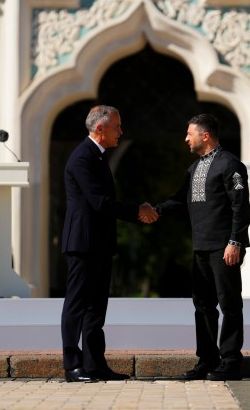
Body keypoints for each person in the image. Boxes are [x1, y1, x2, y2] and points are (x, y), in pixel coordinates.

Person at [60, 105, 158, 383]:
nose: (121, 132)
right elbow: (100, 202)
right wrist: (137, 211)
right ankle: (72, 365)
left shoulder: (98, 156)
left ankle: (94, 364)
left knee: (96, 308)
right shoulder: (82, 158)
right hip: (82, 243)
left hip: (99, 243)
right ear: (100, 128)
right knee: (77, 305)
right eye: (117, 127)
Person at [154, 114, 250, 381]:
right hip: (200, 247)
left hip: (224, 247)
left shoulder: (230, 164)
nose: (186, 138)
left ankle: (230, 362)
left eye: (190, 134)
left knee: (229, 304)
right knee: (203, 305)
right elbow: (179, 200)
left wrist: (235, 241)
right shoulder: (194, 168)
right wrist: (154, 211)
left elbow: (241, 206)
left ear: (205, 136)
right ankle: (207, 360)